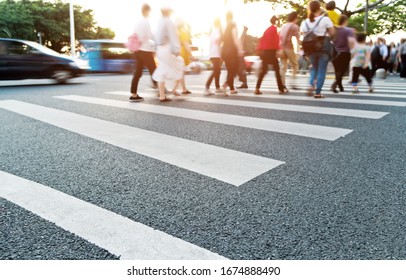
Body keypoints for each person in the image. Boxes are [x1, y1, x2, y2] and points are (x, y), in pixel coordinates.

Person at [300, 0, 335, 98]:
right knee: (321, 70)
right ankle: (318, 92)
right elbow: (332, 33)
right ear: (319, 8)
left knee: (314, 68)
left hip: (310, 49)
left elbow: (304, 35)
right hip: (323, 47)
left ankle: (311, 84)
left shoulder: (304, 22)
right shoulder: (325, 19)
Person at [152, 6, 184, 102]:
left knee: (162, 69)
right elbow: (173, 36)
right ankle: (174, 90)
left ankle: (162, 95)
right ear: (169, 12)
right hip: (167, 48)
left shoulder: (159, 21)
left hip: (159, 49)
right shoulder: (169, 21)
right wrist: (176, 49)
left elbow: (155, 36)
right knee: (180, 63)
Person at [129, 4, 156, 102]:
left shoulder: (137, 22)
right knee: (154, 70)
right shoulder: (145, 21)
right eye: (149, 11)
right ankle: (160, 90)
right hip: (145, 50)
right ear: (147, 11)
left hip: (137, 50)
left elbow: (136, 35)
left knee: (138, 72)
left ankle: (134, 94)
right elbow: (148, 35)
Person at [255, 15, 286, 95]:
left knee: (263, 71)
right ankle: (281, 88)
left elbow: (261, 40)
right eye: (278, 21)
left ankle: (257, 88)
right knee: (277, 71)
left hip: (264, 52)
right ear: (276, 21)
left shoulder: (267, 30)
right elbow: (275, 41)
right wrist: (278, 51)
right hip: (271, 52)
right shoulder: (274, 29)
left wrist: (259, 50)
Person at [221, 11, 242, 95]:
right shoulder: (233, 25)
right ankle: (224, 86)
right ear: (232, 17)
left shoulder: (224, 27)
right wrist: (240, 49)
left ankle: (232, 89)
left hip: (224, 51)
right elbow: (235, 38)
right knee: (233, 70)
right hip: (232, 51)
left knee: (230, 70)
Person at [331, 15, 354, 93]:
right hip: (345, 52)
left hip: (334, 52)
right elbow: (351, 42)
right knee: (342, 71)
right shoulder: (348, 30)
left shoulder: (334, 30)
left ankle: (340, 86)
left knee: (337, 71)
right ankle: (335, 84)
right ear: (345, 21)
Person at [279, 11, 301, 91]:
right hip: (289, 47)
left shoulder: (283, 26)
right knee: (295, 65)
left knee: (283, 66)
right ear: (295, 18)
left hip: (281, 48)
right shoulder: (294, 26)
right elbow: (298, 39)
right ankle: (292, 82)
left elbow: (280, 37)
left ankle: (282, 84)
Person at [172, 20, 193, 95]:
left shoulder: (175, 33)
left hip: (176, 53)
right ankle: (176, 89)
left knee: (180, 72)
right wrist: (191, 54)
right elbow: (186, 44)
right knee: (181, 72)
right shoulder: (183, 32)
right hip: (182, 53)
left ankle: (183, 88)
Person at [205, 18, 223, 95]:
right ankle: (207, 87)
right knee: (216, 71)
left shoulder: (213, 31)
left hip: (214, 54)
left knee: (218, 71)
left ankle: (217, 87)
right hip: (216, 54)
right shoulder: (218, 31)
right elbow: (218, 41)